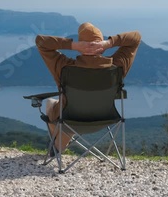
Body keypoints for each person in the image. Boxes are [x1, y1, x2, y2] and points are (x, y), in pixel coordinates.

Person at [35, 22, 141, 154]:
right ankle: (58, 145)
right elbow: (136, 37)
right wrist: (108, 43)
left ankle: (58, 145)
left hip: (69, 120)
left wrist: (73, 45)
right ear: (101, 46)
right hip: (105, 119)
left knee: (51, 103)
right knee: (67, 107)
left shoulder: (64, 67)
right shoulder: (117, 66)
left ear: (81, 46)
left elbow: (40, 41)